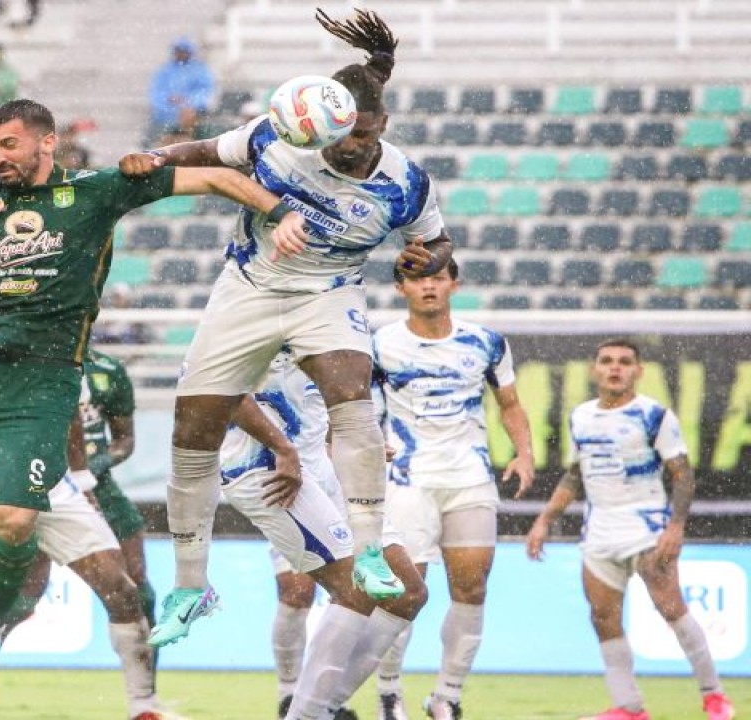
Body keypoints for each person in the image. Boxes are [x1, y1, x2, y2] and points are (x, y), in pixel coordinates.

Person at [0, 98, 308, 703]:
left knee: (15, 523)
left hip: (41, 380)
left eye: (8, 145)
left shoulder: (97, 191)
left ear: (46, 142)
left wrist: (281, 213)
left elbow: (217, 176)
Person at [120, 8, 452, 647]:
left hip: (327, 292)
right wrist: (154, 156)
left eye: (363, 135)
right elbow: (205, 151)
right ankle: (192, 585)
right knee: (193, 427)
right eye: (339, 137)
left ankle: (369, 552)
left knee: (351, 391)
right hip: (247, 286)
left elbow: (439, 247)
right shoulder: (277, 138)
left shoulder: (407, 183)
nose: (349, 148)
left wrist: (426, 258)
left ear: (382, 125)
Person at [526, 339, 735, 720]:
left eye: (624, 362)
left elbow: (682, 474)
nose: (615, 368)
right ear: (595, 370)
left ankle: (714, 696)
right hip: (600, 531)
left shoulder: (654, 416)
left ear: (638, 371)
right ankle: (630, 707)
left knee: (671, 609)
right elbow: (575, 475)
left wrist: (676, 526)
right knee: (603, 617)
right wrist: (544, 520)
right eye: (606, 361)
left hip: (647, 527)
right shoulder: (581, 417)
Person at [216, 351, 426, 720]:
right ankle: (295, 700)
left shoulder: (330, 321)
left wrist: (359, 443)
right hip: (272, 470)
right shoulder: (258, 310)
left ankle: (319, 706)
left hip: (327, 471)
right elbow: (222, 387)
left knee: (407, 592)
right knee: (325, 590)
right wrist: (283, 448)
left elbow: (322, 407)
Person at [369, 259, 535, 720]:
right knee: (402, 592)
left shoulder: (486, 341)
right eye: (419, 279)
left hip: (469, 479)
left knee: (472, 590)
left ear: (453, 285)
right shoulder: (380, 344)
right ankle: (388, 693)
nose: (429, 286)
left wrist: (524, 452)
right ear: (402, 288)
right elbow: (360, 405)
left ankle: (447, 696)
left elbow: (511, 404)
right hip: (408, 480)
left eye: (437, 278)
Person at [0, 447, 163, 720]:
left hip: (55, 485)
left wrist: (84, 485)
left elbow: (71, 420)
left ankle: (143, 707)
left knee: (120, 589)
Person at [79, 346, 156, 629]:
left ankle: (146, 671)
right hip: (40, 486)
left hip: (99, 487)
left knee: (137, 581)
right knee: (21, 593)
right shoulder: (32, 363)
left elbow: (124, 441)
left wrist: (95, 466)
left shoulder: (107, 370)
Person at [146, 37, 214, 144]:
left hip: (191, 118)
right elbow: (156, 93)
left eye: (184, 51)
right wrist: (170, 102)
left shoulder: (199, 70)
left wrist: (188, 104)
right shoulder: (165, 70)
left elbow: (204, 91)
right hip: (165, 119)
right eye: (179, 51)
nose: (181, 54)